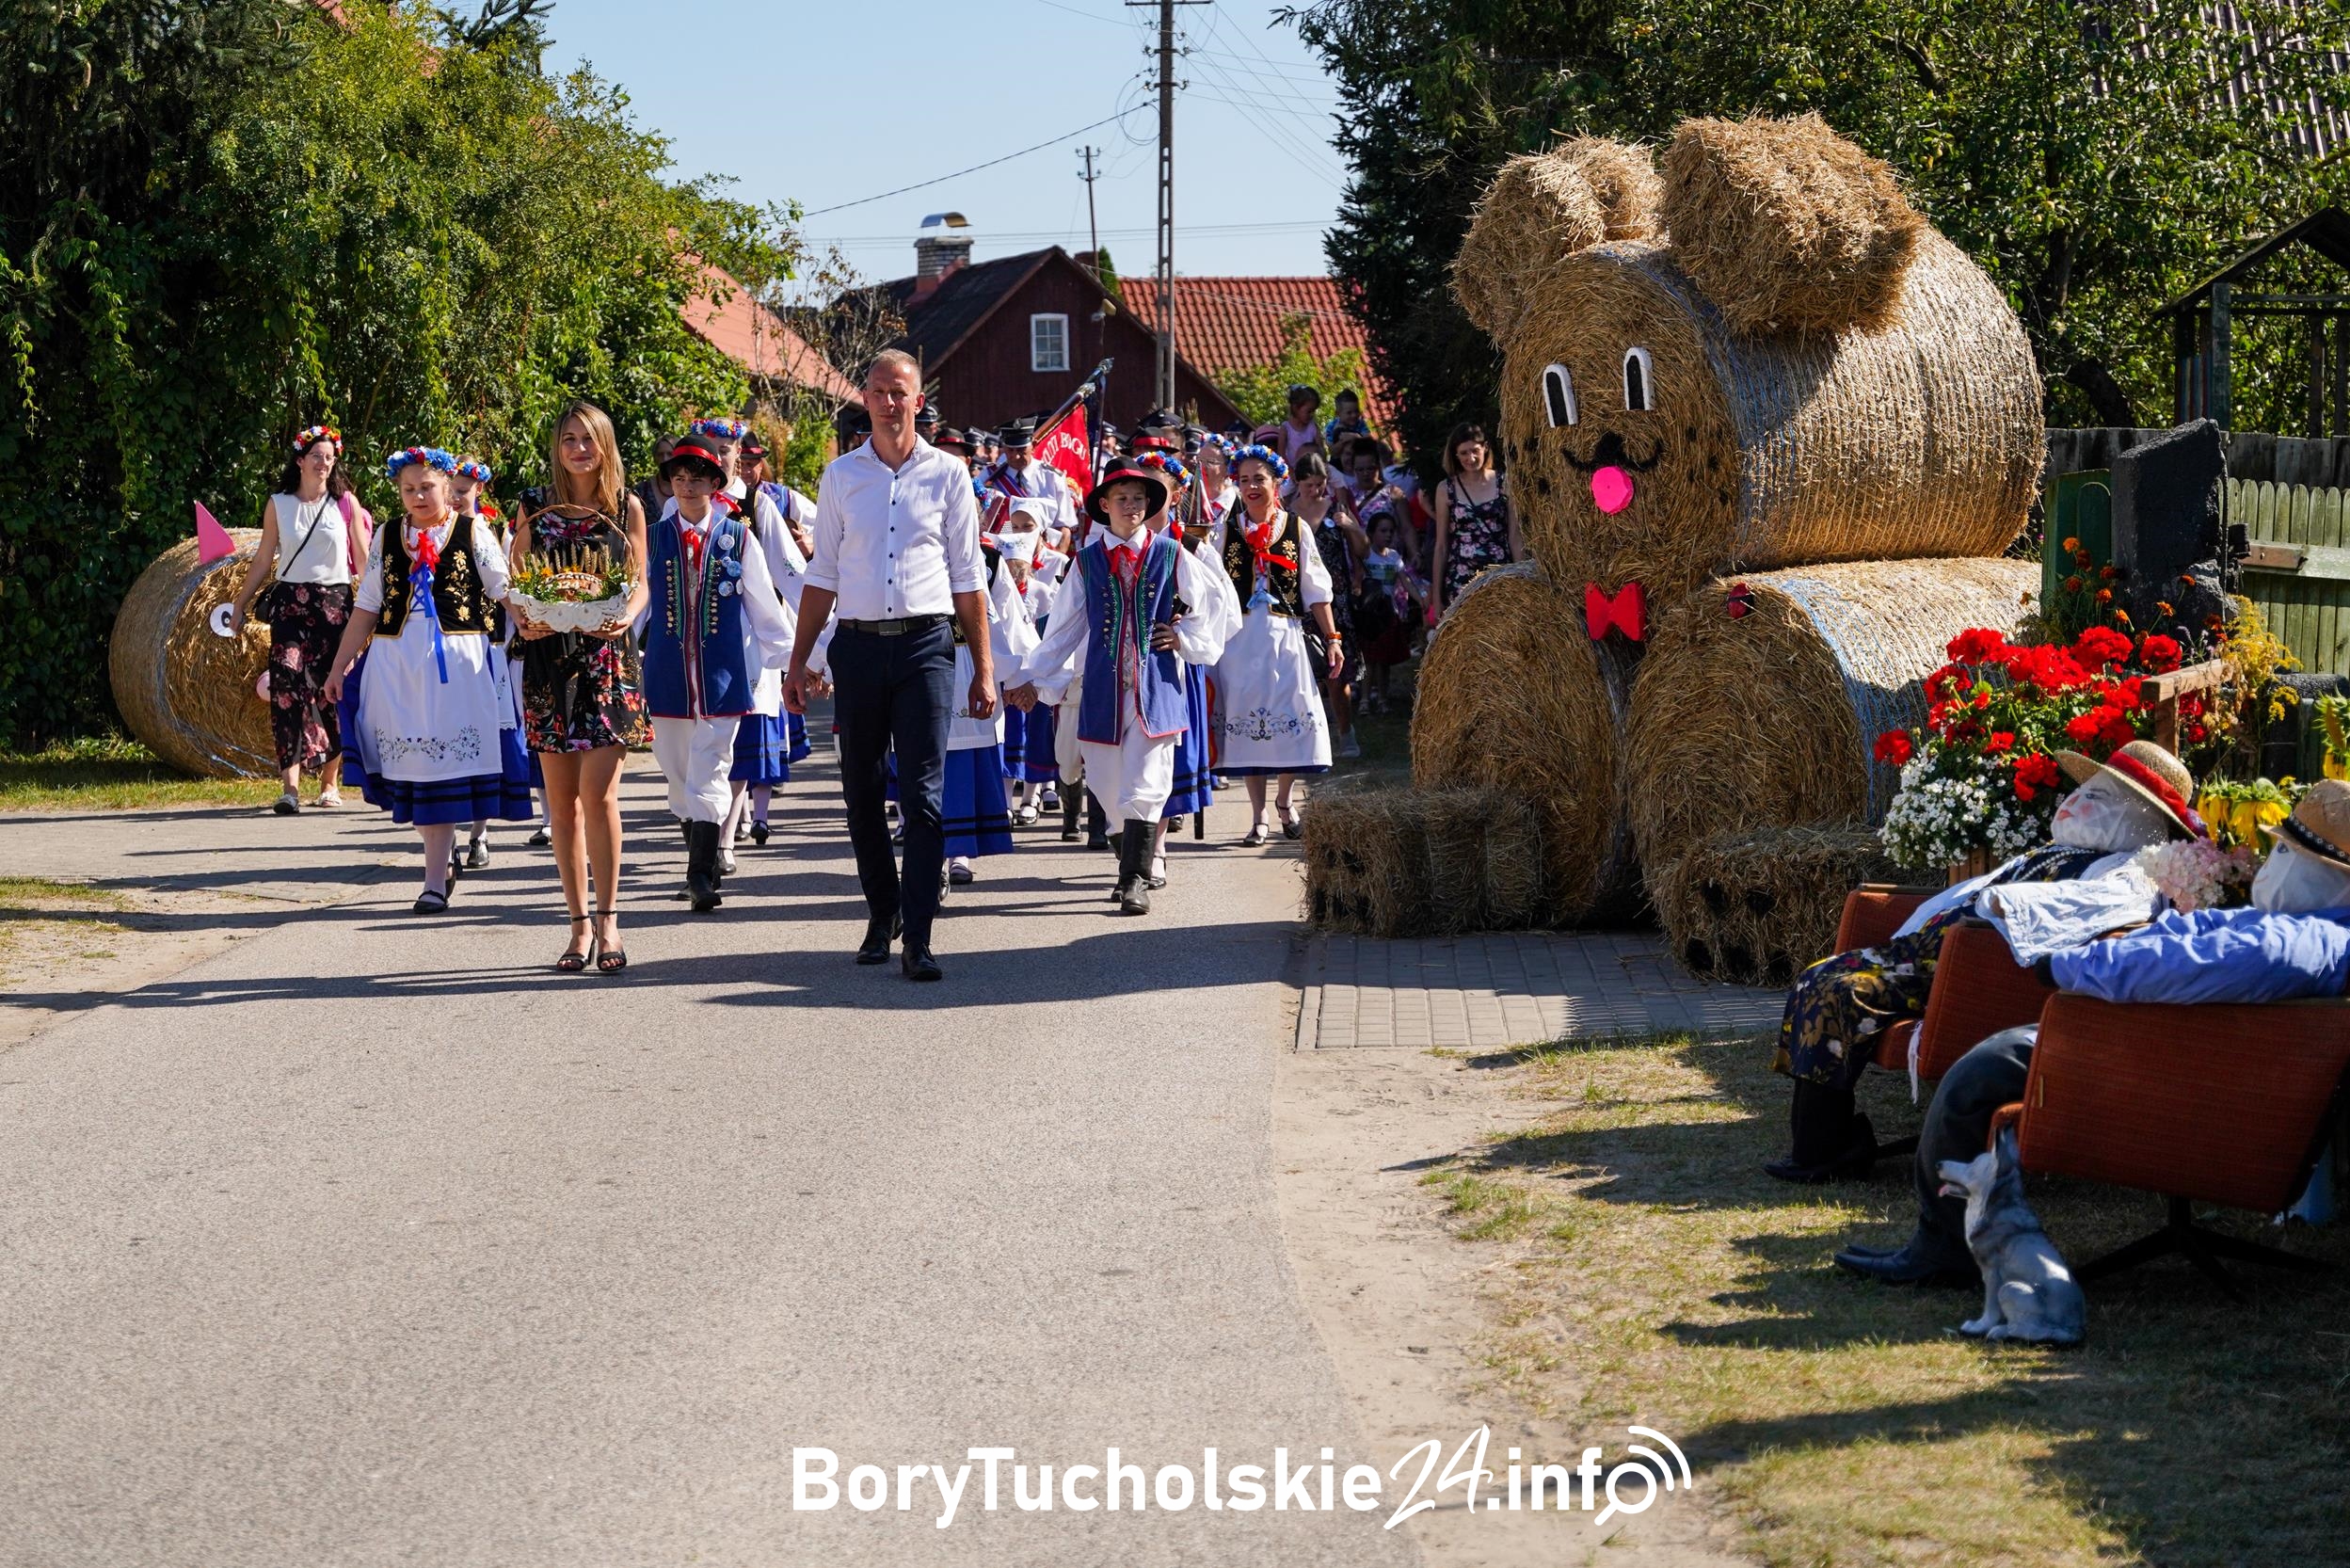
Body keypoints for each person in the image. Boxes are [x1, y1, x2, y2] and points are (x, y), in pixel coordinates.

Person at [1837, 774, 2350, 1288]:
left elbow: (2192, 961)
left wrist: (2068, 967)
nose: (2274, 862)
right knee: (1990, 1060)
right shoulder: (2291, 922)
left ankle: (1943, 1249)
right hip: (2172, 1044)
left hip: (2169, 1061)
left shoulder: (2308, 938)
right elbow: (2193, 933)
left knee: (1977, 1076)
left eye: (2291, 854)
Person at [1770, 740, 2202, 1184]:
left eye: (2097, 796)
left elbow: (2096, 907)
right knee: (1817, 976)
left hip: (1964, 968)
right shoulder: (2055, 853)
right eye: (2082, 790)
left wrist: (2005, 904)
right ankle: (1828, 1140)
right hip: (1930, 954)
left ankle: (1826, 1150)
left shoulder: (2129, 870)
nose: (2074, 801)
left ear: (2140, 817)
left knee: (1843, 992)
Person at [785, 349, 993, 983]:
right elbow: (822, 574)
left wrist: (983, 669)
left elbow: (967, 575)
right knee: (862, 791)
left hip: (927, 645)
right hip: (858, 644)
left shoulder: (949, 474)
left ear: (917, 399)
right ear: (866, 400)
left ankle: (920, 936)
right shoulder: (843, 475)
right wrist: (799, 662)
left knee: (924, 795)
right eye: (877, 392)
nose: (888, 401)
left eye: (898, 391)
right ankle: (883, 915)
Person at [1008, 459, 1232, 913]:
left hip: (1155, 690)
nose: (1131, 506)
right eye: (1121, 498)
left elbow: (1215, 605)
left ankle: (1133, 882)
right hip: (1103, 693)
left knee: (1147, 786)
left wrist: (1184, 636)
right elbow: (1065, 628)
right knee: (1111, 791)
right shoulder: (1087, 562)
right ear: (1104, 507)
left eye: (1138, 499)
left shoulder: (1171, 553)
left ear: (1149, 505)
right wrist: (1034, 676)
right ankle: (1126, 850)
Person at [324, 446, 535, 914]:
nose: (418, 496)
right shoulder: (385, 536)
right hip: (397, 667)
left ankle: (433, 879)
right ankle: (440, 861)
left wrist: (535, 628)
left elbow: (505, 590)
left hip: (460, 668)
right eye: (409, 489)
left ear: (446, 487)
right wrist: (339, 667)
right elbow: (368, 606)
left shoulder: (471, 530)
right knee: (415, 773)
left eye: (427, 487)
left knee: (445, 771)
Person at [511, 402, 650, 971]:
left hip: (607, 664)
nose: (578, 449)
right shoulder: (533, 507)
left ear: (605, 446)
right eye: (569, 439)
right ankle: (576, 926)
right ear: (557, 447)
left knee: (600, 796)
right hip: (549, 663)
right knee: (561, 806)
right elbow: (515, 582)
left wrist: (627, 617)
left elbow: (640, 583)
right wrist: (522, 617)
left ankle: (610, 922)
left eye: (589, 439)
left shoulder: (627, 507)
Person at [639, 438, 793, 913]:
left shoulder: (737, 537)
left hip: (720, 676)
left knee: (711, 769)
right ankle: (697, 861)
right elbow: (637, 606)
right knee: (676, 773)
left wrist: (793, 664)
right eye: (679, 478)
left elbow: (765, 606)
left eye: (697, 478)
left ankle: (701, 875)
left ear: (714, 485)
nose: (686, 486)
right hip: (667, 675)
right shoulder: (651, 537)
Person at [229, 424, 371, 814]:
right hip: (291, 603)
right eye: (316, 456)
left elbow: (361, 561)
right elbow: (263, 558)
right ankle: (289, 789)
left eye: (329, 457)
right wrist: (240, 604)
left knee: (331, 688)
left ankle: (329, 783)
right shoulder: (279, 503)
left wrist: (377, 608)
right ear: (300, 461)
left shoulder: (346, 504)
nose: (324, 463)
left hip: (335, 605)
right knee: (286, 685)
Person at [1213, 444, 1341, 843]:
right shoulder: (1225, 529)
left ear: (1277, 483)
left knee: (1290, 716)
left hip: (1285, 638)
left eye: (1260, 479)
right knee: (1247, 720)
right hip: (1239, 641)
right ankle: (1258, 816)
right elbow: (1208, 586)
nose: (1251, 486)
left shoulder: (1296, 528)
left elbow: (1316, 590)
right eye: (1245, 479)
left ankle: (1284, 800)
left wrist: (1332, 638)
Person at [1292, 452, 1368, 761]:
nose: (1316, 491)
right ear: (1298, 483)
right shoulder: (1287, 514)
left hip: (1335, 600)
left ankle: (1345, 732)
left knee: (1339, 674)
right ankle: (1304, 737)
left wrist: (1350, 526)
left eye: (1321, 484)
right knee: (1301, 674)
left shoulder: (1336, 508)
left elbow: (1363, 550)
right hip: (1299, 602)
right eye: (1310, 485)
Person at [1430, 424, 1522, 617]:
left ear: (1485, 448)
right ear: (1455, 455)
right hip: (1461, 579)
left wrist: (1523, 579)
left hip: (1499, 573)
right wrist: (1436, 598)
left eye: (1474, 451)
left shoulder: (1505, 483)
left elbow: (1515, 537)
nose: (1470, 458)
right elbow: (1441, 545)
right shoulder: (1446, 489)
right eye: (1463, 453)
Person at [1355, 511, 1422, 714]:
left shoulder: (1394, 557)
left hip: (1387, 614)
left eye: (1391, 531)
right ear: (1371, 533)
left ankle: (1383, 699)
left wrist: (1421, 601)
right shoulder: (1366, 555)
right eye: (1382, 530)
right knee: (1368, 660)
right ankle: (1365, 700)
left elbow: (1406, 581)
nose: (1387, 535)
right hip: (1369, 615)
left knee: (1384, 661)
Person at [1275, 385, 1327, 468]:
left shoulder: (1313, 427)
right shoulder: (1286, 428)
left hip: (1312, 469)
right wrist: (1291, 472)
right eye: (1309, 411)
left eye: (1313, 411)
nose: (1312, 414)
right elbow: (1281, 454)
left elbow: (1321, 449)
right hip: (1292, 470)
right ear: (1296, 408)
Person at [1322, 387, 1372, 452]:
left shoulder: (1360, 424)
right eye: (1349, 413)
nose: (1354, 415)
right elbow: (1332, 450)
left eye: (1356, 411)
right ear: (1338, 414)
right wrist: (1343, 441)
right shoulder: (1331, 427)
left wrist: (1356, 437)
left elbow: (1369, 441)